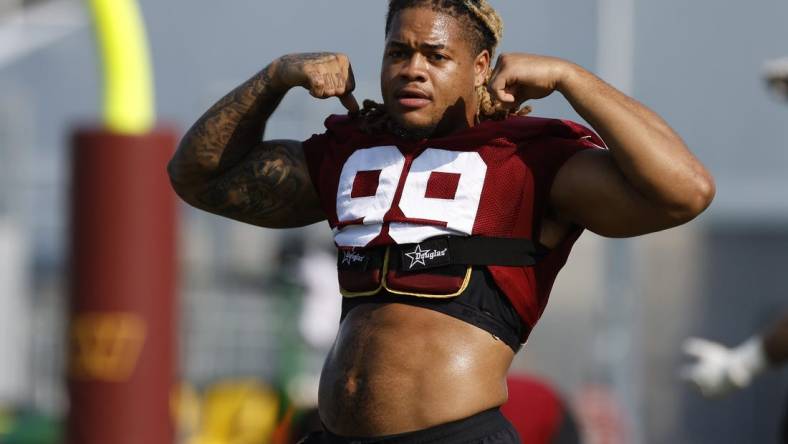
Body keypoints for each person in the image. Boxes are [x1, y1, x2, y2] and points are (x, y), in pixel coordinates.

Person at [168, 1, 715, 442]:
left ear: (481, 67)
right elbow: (198, 177)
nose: (413, 69)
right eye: (399, 52)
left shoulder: (528, 160)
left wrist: (571, 78)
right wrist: (275, 76)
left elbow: (685, 191)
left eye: (435, 55)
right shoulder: (351, 150)